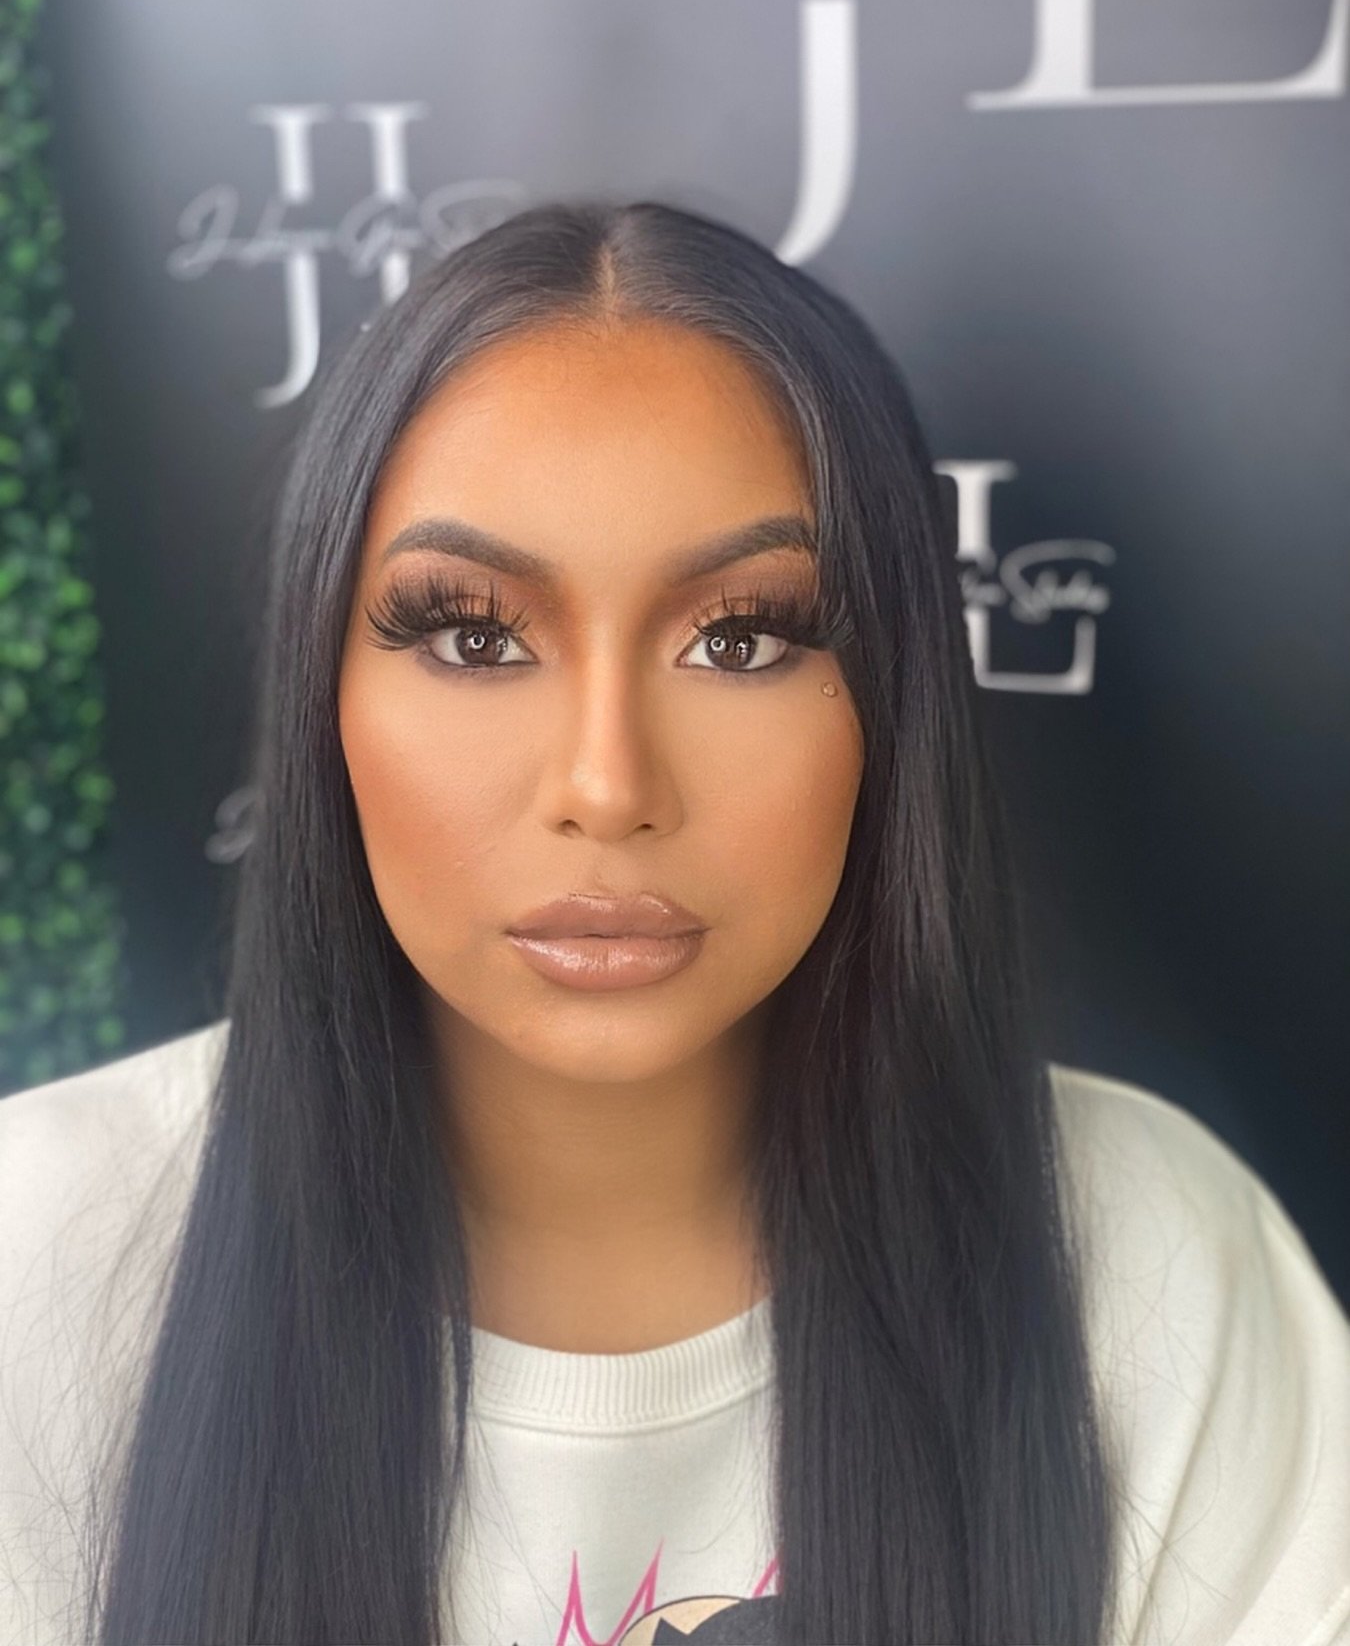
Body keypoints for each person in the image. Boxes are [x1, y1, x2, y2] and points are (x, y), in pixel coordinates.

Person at [1, 200, 1346, 1646]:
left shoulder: (1152, 1259)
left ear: (889, 705)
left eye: (740, 638)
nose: (607, 786)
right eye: (473, 637)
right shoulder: (39, 1251)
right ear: (323, 696)